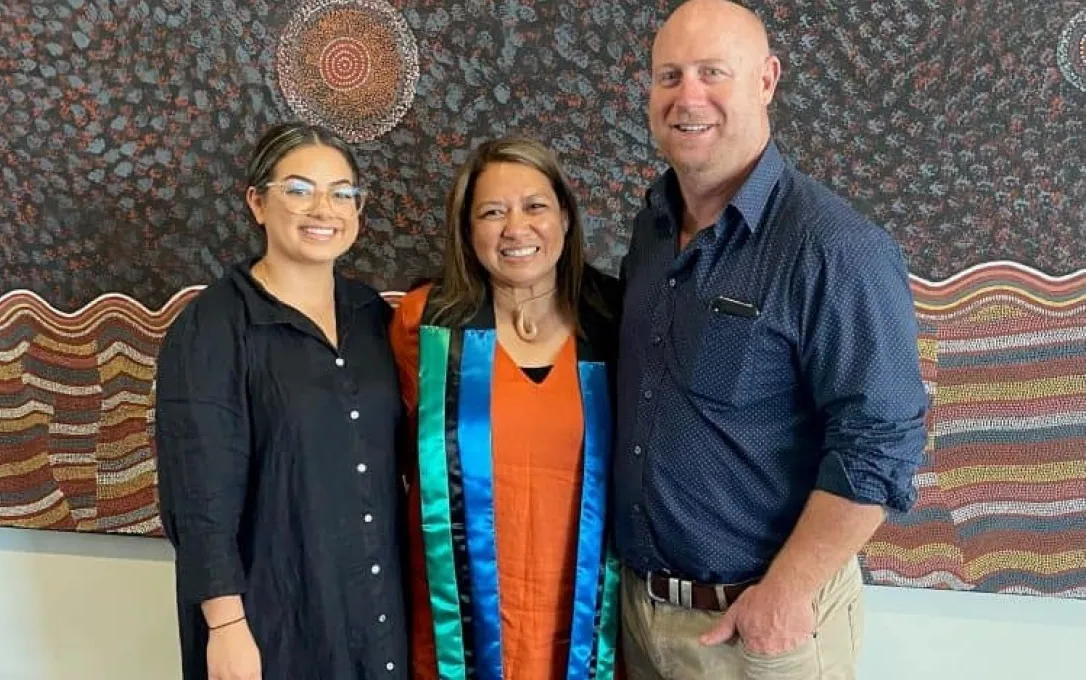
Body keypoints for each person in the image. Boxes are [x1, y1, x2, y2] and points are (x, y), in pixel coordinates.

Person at [613, 1, 929, 678]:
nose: (686, 96)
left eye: (712, 73)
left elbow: (882, 444)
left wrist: (783, 596)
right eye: (669, 76)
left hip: (759, 633)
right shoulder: (652, 229)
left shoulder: (835, 248)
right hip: (638, 622)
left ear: (766, 80)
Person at [154, 122, 408, 680]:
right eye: (299, 189)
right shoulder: (215, 326)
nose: (325, 209)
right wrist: (225, 630)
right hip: (270, 620)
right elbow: (198, 501)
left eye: (343, 193)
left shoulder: (373, 318)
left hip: (376, 611)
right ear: (257, 202)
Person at [389, 137, 622, 680]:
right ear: (469, 232)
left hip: (590, 630)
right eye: (492, 212)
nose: (516, 228)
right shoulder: (425, 329)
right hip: (458, 634)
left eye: (535, 206)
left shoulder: (616, 323)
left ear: (564, 215)